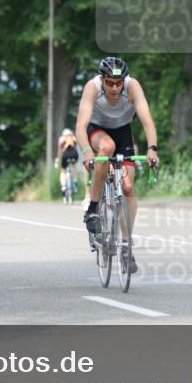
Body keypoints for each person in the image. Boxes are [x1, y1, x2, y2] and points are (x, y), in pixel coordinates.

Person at [76, 56, 160, 274]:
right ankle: (93, 209)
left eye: (118, 83)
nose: (114, 88)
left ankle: (126, 245)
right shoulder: (92, 88)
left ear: (124, 80)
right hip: (96, 130)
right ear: (102, 80)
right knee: (106, 147)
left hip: (123, 131)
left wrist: (152, 149)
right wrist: (86, 152)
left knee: (129, 187)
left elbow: (147, 121)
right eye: (109, 83)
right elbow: (80, 125)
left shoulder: (133, 87)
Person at [57, 128, 80, 200]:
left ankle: (63, 187)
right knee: (73, 166)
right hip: (74, 154)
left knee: (63, 170)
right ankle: (75, 182)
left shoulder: (62, 138)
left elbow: (60, 151)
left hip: (65, 155)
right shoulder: (73, 138)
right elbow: (76, 148)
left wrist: (58, 159)